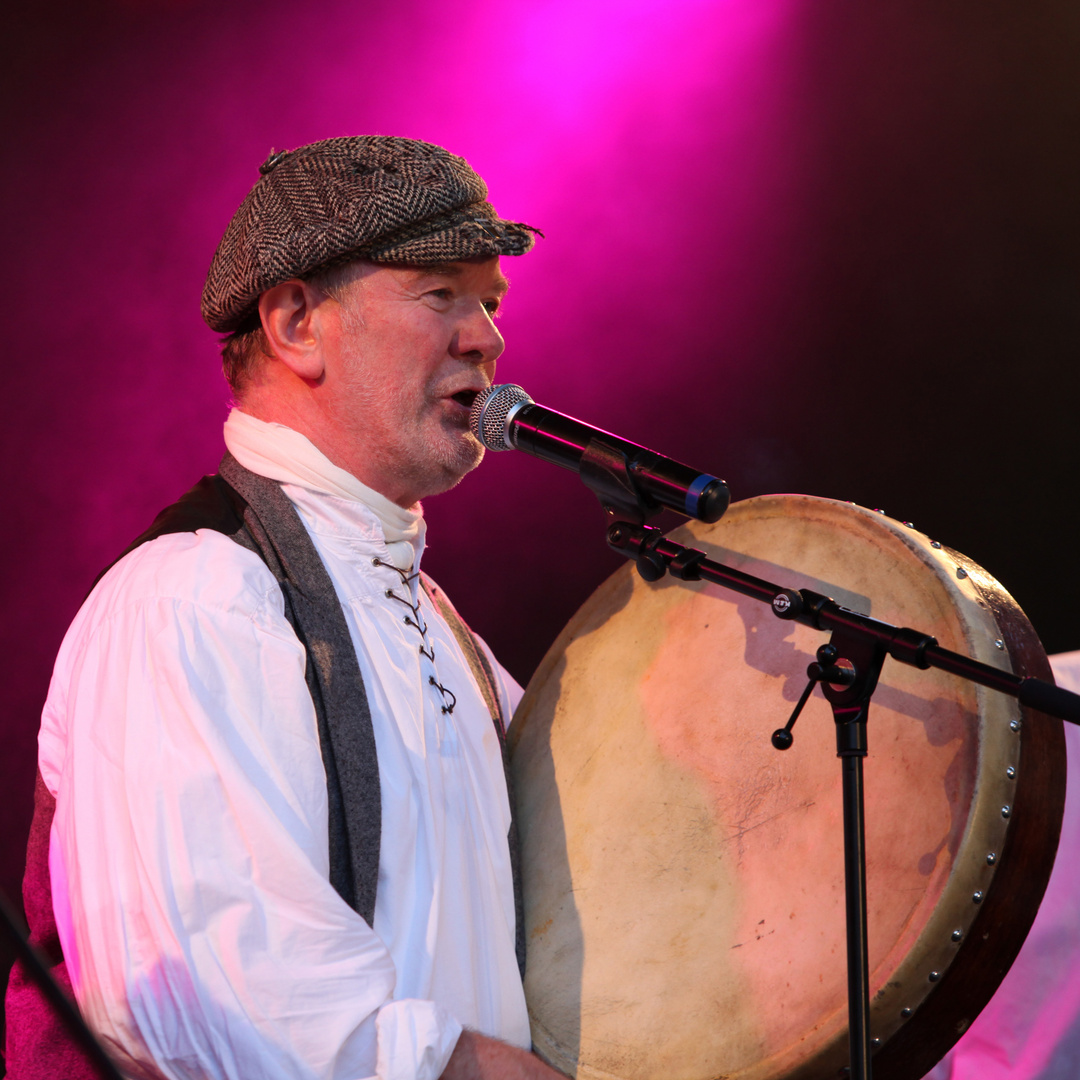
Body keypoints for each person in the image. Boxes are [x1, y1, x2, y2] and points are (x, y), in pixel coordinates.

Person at [5, 136, 564, 1080]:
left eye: (491, 301)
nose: (487, 337)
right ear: (297, 321)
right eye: (440, 294)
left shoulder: (439, 626)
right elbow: (218, 998)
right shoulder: (194, 598)